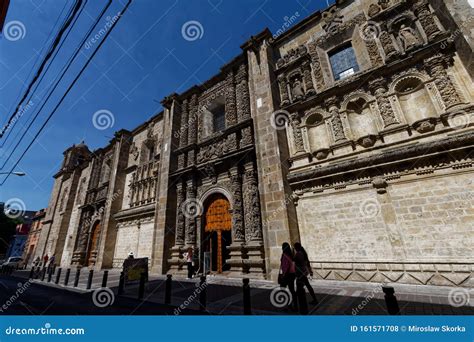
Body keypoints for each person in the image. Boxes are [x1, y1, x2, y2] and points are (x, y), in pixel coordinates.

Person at [279, 242, 297, 310]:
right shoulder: (291, 254)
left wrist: (283, 276)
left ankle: (288, 305)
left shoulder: (284, 255)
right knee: (292, 290)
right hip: (292, 274)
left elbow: (285, 266)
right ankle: (294, 305)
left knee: (282, 289)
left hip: (286, 275)